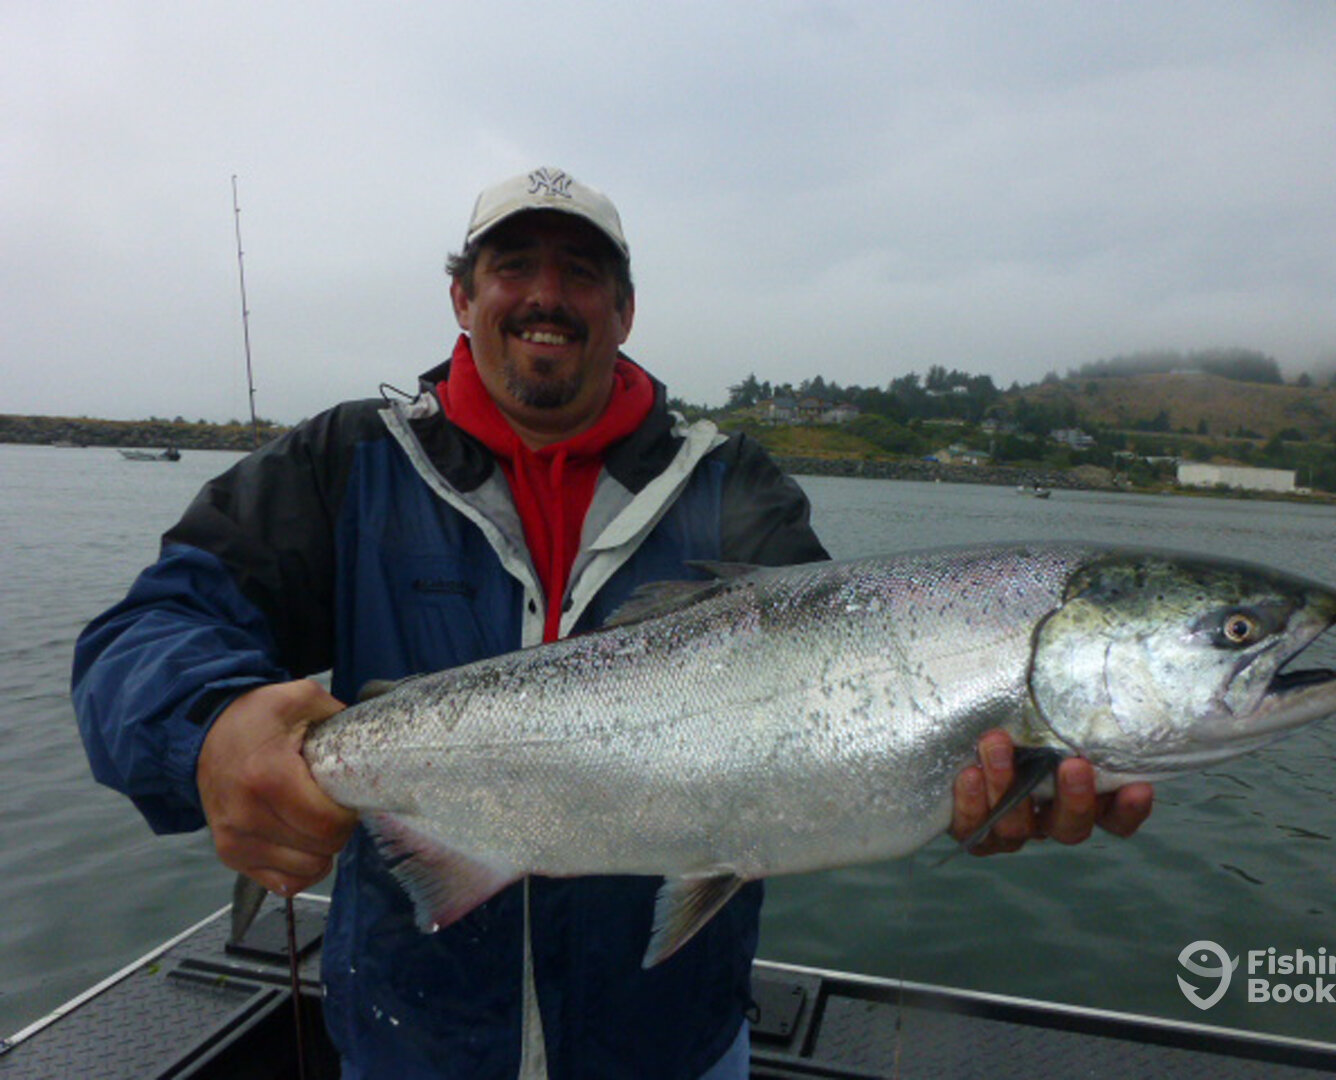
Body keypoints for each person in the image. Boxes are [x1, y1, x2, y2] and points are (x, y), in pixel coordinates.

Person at [72, 167, 1152, 1079]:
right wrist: (207, 729)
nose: (548, 295)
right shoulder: (346, 463)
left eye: (581, 272)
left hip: (673, 1048)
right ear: (461, 295)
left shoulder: (733, 487)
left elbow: (852, 706)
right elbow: (146, 631)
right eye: (513, 268)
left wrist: (960, 790)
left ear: (624, 309)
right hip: (416, 1046)